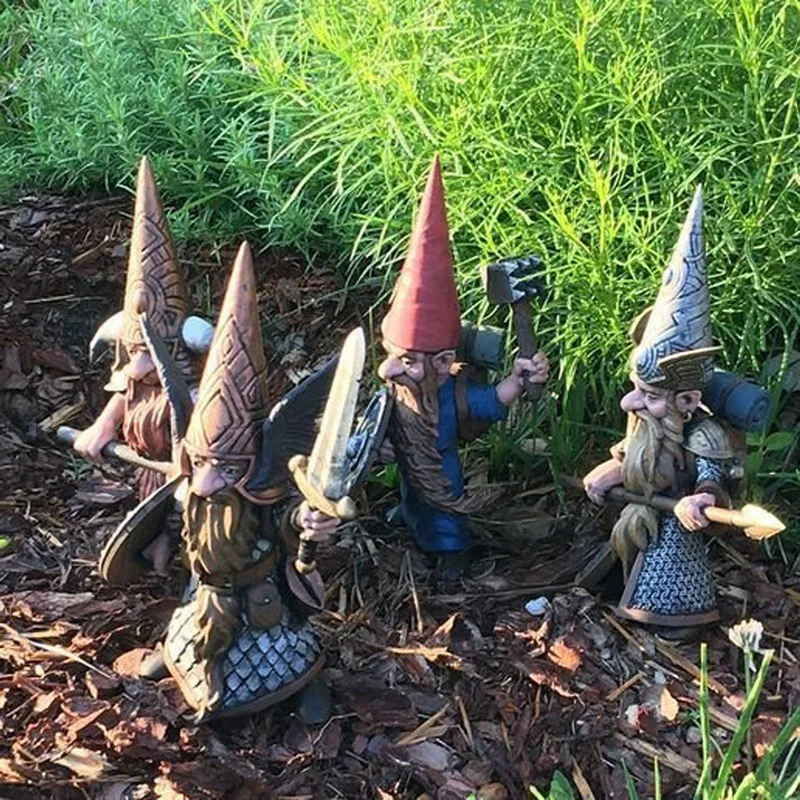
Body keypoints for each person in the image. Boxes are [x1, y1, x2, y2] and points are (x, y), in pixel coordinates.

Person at [160, 242, 338, 720]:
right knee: (190, 634)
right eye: (201, 463)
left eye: (225, 468)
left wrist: (307, 520)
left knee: (281, 653)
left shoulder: (263, 491)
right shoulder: (194, 487)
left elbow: (288, 518)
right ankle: (187, 663)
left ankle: (304, 682)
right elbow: (177, 517)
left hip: (261, 605)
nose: (206, 482)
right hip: (203, 597)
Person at [376, 156, 549, 581]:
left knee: (443, 507)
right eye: (395, 355)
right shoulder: (399, 393)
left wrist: (518, 379)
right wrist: (380, 447)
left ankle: (451, 552)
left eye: (409, 361)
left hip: (441, 468)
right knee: (413, 496)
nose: (392, 370)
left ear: (442, 362)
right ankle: (410, 519)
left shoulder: (451, 395)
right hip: (410, 467)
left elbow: (490, 401)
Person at [583, 186, 736, 636]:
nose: (631, 403)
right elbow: (635, 454)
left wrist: (702, 499)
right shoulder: (648, 426)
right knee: (623, 557)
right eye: (637, 390)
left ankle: (671, 619)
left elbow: (712, 477)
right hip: (639, 516)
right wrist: (609, 473)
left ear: (685, 401)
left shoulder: (703, 434)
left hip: (674, 527)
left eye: (649, 396)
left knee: (665, 577)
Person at [72, 157, 212, 574]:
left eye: (149, 355)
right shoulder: (137, 379)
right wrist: (102, 427)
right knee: (151, 512)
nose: (136, 367)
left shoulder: (192, 392)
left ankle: (182, 555)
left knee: (184, 516)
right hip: (149, 469)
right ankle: (155, 547)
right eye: (133, 354)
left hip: (187, 475)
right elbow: (123, 396)